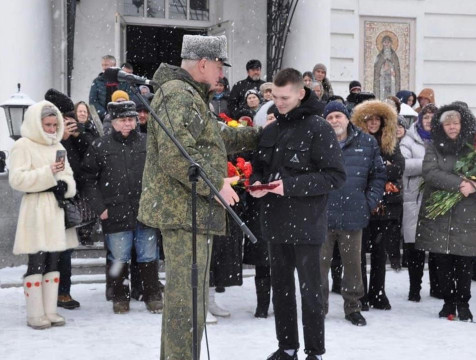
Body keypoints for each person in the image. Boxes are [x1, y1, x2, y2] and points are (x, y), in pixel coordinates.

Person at [137, 34, 261, 360]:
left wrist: (261, 135)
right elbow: (177, 155)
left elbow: (215, 139)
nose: (222, 73)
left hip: (190, 213)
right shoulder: (179, 96)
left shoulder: (191, 95)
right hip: (184, 213)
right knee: (185, 303)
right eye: (219, 65)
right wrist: (216, 184)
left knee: (191, 303)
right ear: (203, 64)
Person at [249, 68, 346, 360]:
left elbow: (334, 176)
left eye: (285, 97)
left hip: (307, 223)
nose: (278, 103)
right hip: (275, 222)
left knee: (310, 293)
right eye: (275, 97)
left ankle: (314, 351)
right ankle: (287, 346)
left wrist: (288, 187)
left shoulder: (319, 128)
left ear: (300, 94)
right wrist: (255, 182)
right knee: (282, 290)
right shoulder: (272, 129)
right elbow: (260, 167)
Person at [82, 101, 163, 315]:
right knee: (119, 257)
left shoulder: (148, 143)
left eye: (131, 119)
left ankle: (152, 294)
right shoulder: (100, 146)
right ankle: (119, 296)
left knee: (148, 255)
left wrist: (157, 202)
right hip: (115, 212)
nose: (127, 124)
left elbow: (160, 175)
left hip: (145, 211)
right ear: (113, 122)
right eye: (123, 120)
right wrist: (100, 208)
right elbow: (88, 180)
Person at [9, 101, 79, 329]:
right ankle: (35, 314)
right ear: (36, 124)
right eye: (47, 125)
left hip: (56, 209)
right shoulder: (23, 145)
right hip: (35, 208)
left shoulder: (58, 146)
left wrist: (64, 185)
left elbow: (69, 176)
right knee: (36, 261)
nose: (51, 129)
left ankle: (50, 311)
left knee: (53, 261)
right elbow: (17, 179)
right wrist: (48, 174)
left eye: (54, 124)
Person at [321, 101, 386, 327]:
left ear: (348, 118)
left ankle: (353, 307)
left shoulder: (366, 142)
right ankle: (318, 308)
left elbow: (378, 175)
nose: (334, 121)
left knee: (353, 266)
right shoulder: (318, 142)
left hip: (353, 214)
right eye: (329, 118)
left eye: (338, 116)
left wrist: (368, 202)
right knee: (319, 266)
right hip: (322, 216)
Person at [416, 103, 476, 322]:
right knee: (442, 260)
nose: (452, 127)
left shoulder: (473, 145)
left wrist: (474, 186)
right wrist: (459, 184)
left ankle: (464, 303)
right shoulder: (434, 146)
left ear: (463, 124)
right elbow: (430, 172)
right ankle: (448, 303)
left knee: (464, 261)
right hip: (439, 214)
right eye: (447, 124)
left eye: (456, 123)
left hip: (467, 213)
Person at [44, 89, 100, 310]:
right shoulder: (46, 135)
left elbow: (93, 155)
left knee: (65, 248)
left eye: (70, 118)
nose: (67, 122)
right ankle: (49, 293)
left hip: (69, 199)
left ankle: (63, 292)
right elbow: (51, 161)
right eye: (65, 118)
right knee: (48, 250)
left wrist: (79, 136)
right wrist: (63, 139)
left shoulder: (77, 134)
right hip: (49, 199)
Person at [352, 100, 404, 311]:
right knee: (358, 252)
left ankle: (378, 292)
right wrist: (382, 169)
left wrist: (378, 171)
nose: (373, 123)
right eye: (369, 119)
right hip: (362, 204)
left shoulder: (390, 142)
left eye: (377, 119)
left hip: (385, 206)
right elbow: (358, 171)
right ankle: (361, 293)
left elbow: (398, 168)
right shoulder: (357, 141)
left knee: (380, 252)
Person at [400, 104, 438, 302]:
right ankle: (415, 288)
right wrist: (430, 167)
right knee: (415, 247)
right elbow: (404, 165)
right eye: (426, 117)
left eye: (433, 117)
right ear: (420, 119)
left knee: (437, 246)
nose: (429, 121)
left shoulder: (443, 140)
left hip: (436, 199)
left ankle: (438, 287)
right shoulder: (409, 139)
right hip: (413, 198)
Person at [89, 54, 131, 121]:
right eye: (102, 65)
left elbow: (130, 98)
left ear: (114, 65)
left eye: (106, 65)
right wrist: (105, 114)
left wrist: (120, 113)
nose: (104, 68)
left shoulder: (123, 81)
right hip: (102, 119)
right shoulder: (97, 81)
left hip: (122, 117)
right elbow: (93, 101)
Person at [373, 35, 401, 100]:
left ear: (391, 43)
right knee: (383, 97)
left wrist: (393, 71)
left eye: (388, 42)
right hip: (382, 80)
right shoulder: (380, 56)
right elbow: (377, 70)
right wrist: (383, 70)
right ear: (382, 43)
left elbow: (397, 69)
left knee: (391, 96)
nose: (386, 44)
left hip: (392, 80)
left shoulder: (394, 56)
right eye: (385, 42)